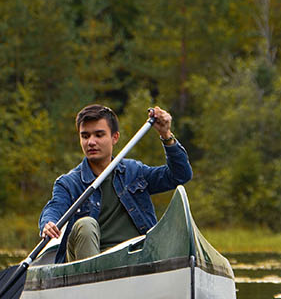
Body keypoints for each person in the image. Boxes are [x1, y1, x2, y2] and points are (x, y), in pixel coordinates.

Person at [39, 104, 192, 262]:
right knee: (85, 224)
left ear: (115, 137)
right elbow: (54, 207)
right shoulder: (69, 183)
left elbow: (180, 175)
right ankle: (94, 281)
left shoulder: (134, 171)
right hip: (91, 264)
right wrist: (48, 223)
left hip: (137, 258)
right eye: (85, 136)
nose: (91, 142)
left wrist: (166, 135)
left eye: (99, 135)